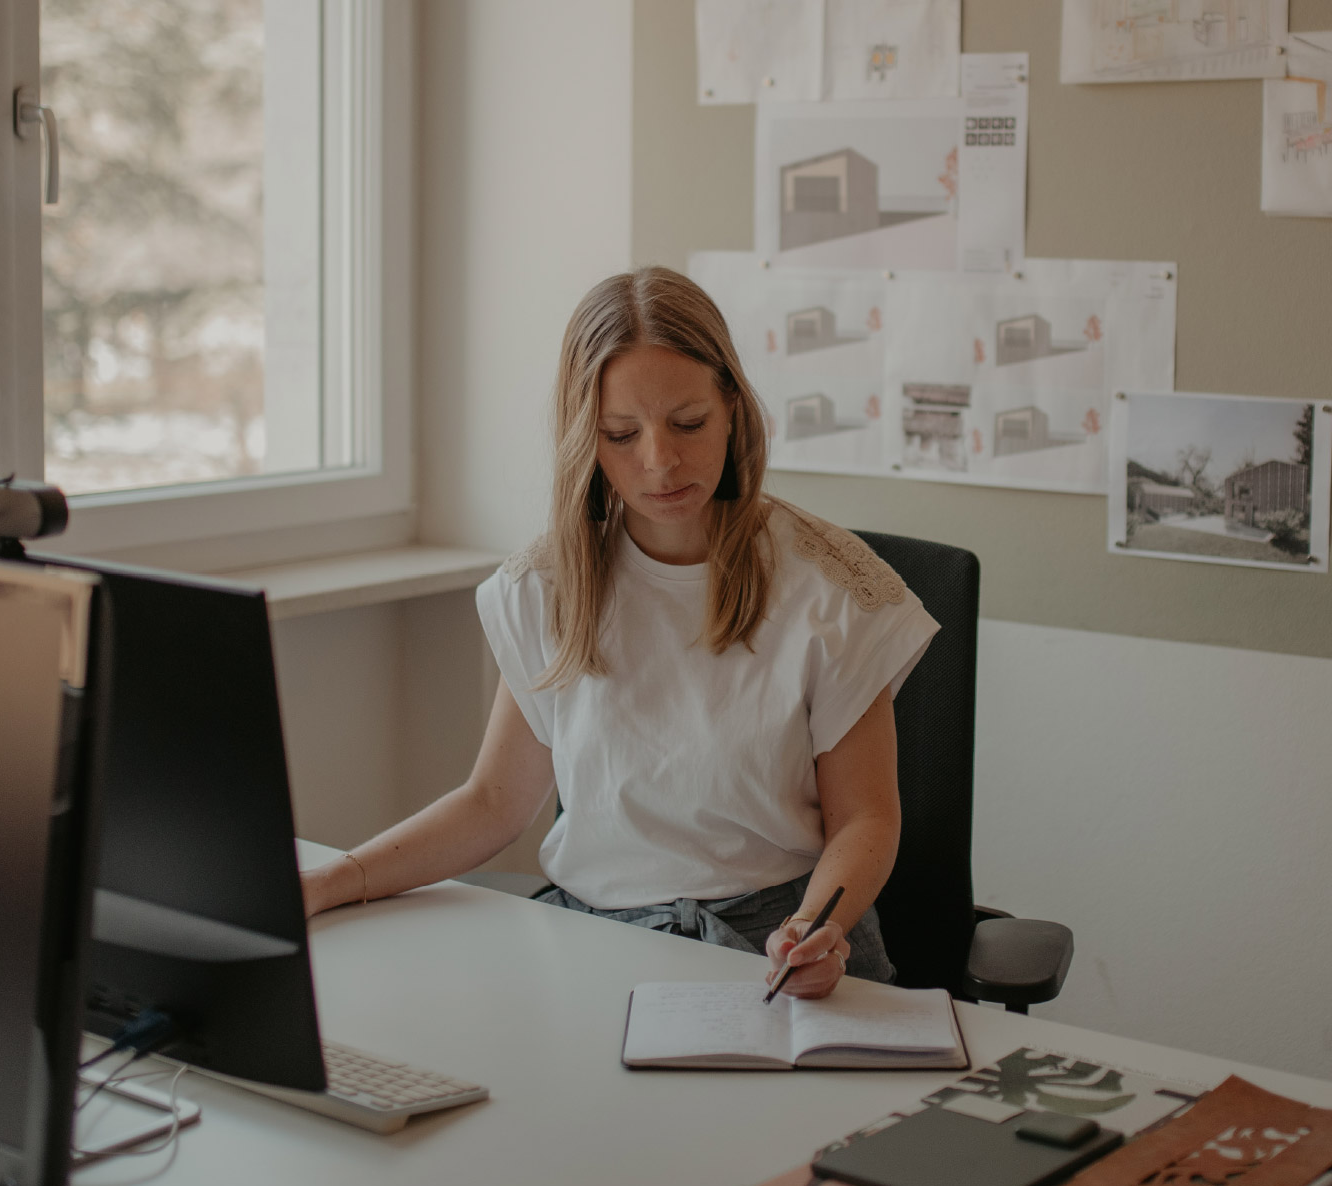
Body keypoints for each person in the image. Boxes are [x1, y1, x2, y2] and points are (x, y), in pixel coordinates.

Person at [301, 267, 939, 999]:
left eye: (689, 423)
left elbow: (865, 818)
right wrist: (333, 881)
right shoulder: (548, 586)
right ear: (587, 438)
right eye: (621, 434)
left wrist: (813, 929)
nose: (659, 461)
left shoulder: (831, 588)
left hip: (775, 934)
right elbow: (493, 804)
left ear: (732, 407)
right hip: (595, 938)